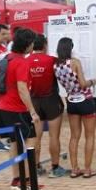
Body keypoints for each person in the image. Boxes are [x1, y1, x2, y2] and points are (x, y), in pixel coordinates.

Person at [0, 28, 42, 190]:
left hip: (3, 107)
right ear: (27, 44)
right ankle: (26, 180)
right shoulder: (21, 62)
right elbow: (22, 89)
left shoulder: (7, 58)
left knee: (14, 143)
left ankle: (17, 179)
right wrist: (33, 112)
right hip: (17, 109)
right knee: (30, 142)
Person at [55, 37, 96, 178]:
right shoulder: (75, 63)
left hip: (71, 101)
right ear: (70, 48)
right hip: (85, 100)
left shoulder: (56, 66)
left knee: (74, 137)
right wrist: (92, 82)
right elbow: (83, 83)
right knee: (90, 135)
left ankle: (74, 169)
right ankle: (87, 169)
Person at [27, 35, 69, 178]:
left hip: (34, 101)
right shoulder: (52, 60)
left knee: (35, 137)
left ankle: (36, 166)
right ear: (45, 45)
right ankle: (55, 167)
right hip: (51, 101)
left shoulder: (26, 61)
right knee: (53, 136)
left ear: (33, 46)